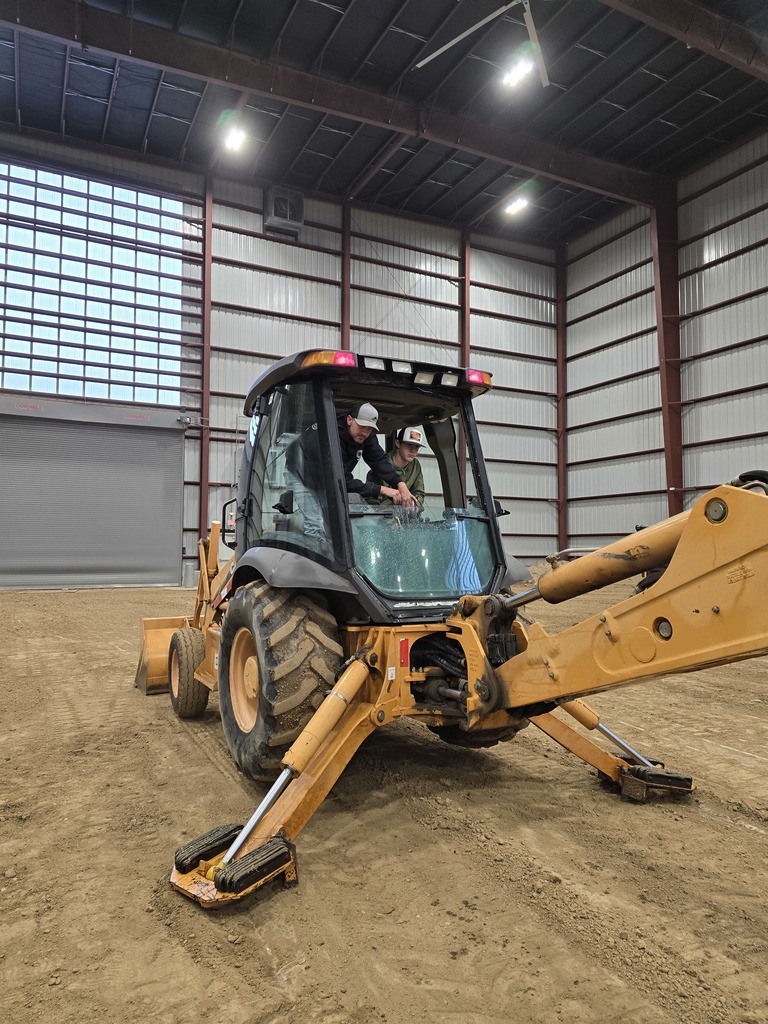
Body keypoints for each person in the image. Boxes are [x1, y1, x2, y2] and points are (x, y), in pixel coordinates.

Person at [285, 402, 417, 538]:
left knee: (336, 522)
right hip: (301, 473)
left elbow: (378, 459)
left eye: (370, 429)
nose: (365, 432)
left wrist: (400, 484)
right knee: (315, 523)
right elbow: (341, 480)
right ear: (349, 420)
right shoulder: (330, 436)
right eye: (362, 426)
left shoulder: (366, 434)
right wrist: (383, 490)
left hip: (328, 479)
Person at [367, 427, 426, 508]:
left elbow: (419, 492)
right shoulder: (381, 466)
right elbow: (372, 501)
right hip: (384, 516)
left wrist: (414, 504)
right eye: (409, 445)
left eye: (417, 447)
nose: (413, 450)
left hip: (407, 516)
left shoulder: (415, 465)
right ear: (398, 443)